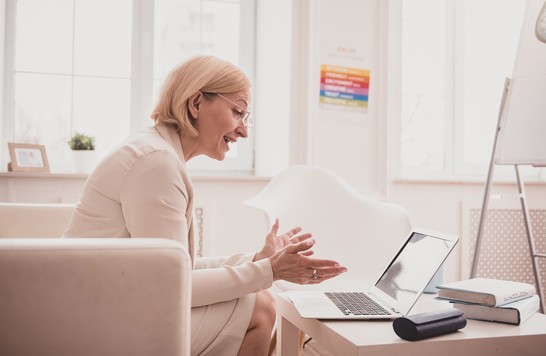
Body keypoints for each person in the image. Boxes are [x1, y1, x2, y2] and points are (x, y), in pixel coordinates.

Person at [62, 55, 347, 356]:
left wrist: (259, 260)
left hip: (109, 303)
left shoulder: (156, 152)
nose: (244, 131)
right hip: (99, 321)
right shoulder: (156, 163)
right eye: (238, 112)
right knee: (261, 308)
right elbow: (172, 286)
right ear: (196, 103)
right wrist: (270, 270)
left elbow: (173, 270)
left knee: (259, 298)